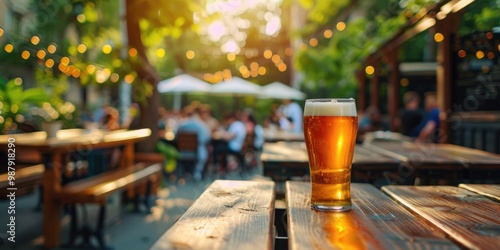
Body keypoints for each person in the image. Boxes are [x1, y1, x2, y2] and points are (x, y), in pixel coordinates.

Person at [176, 105, 211, 181]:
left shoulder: (182, 123)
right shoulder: (202, 125)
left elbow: (176, 136)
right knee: (205, 149)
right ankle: (197, 173)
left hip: (182, 152)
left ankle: (181, 173)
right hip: (198, 152)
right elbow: (207, 138)